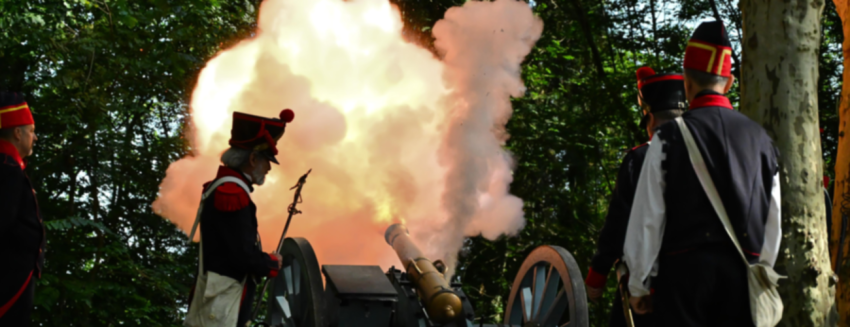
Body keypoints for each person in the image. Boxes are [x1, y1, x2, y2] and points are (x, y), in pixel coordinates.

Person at [622, 21, 781, 326]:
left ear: (687, 83)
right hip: (743, 279)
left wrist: (639, 285)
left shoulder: (667, 137)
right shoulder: (763, 139)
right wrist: (762, 271)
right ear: (730, 82)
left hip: (683, 281)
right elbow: (773, 220)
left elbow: (648, 218)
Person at [585, 67, 685, 326]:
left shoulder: (640, 159)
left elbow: (620, 222)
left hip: (651, 286)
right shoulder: (709, 155)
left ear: (649, 117)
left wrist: (597, 274)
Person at [188, 109, 295, 327]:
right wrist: (270, 262)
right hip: (222, 299)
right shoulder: (232, 193)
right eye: (267, 161)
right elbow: (242, 255)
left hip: (222, 295)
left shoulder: (228, 188)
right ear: (253, 158)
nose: (268, 169)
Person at [0, 92, 44, 326]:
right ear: (17, 133)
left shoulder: (9, 166)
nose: (35, 138)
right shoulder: (6, 169)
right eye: (31, 131)